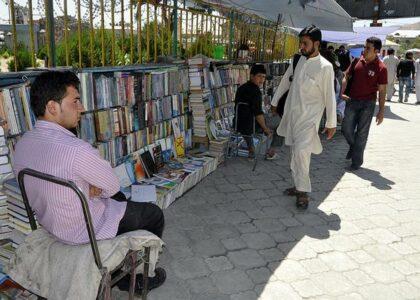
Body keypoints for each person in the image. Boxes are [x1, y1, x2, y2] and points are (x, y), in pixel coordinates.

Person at [12, 71, 166, 294]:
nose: (82, 107)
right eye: (75, 101)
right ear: (52, 107)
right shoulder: (76, 150)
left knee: (118, 199)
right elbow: (112, 185)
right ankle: (133, 279)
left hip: (50, 222)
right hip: (84, 231)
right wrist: (95, 187)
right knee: (153, 213)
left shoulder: (23, 143)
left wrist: (91, 186)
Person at [271, 25, 336, 209]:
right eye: (301, 43)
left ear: (316, 44)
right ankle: (298, 185)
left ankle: (304, 192)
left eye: (305, 43)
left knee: (301, 151)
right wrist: (275, 102)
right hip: (293, 116)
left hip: (310, 120)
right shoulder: (298, 59)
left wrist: (331, 123)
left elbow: (330, 97)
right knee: (295, 153)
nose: (302, 46)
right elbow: (285, 81)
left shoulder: (326, 67)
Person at [341, 37, 387, 171]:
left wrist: (381, 111)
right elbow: (346, 76)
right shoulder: (357, 61)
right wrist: (342, 91)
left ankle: (356, 162)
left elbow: (382, 91)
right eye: (365, 47)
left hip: (368, 103)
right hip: (351, 100)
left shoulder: (381, 68)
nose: (364, 50)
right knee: (346, 129)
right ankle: (354, 147)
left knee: (362, 133)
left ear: (376, 51)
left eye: (368, 48)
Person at [234, 64, 279, 160]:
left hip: (238, 123)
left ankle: (251, 149)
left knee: (248, 122)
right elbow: (258, 114)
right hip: (254, 125)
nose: (262, 80)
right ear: (251, 76)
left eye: (263, 77)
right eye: (259, 76)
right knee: (283, 123)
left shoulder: (241, 88)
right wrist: (265, 129)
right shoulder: (256, 92)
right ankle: (271, 151)